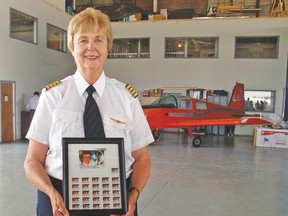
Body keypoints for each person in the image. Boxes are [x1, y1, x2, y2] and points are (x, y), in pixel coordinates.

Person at [24, 8, 154, 216]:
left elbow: (142, 158)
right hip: (60, 201)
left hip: (116, 202)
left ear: (108, 47)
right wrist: (50, 192)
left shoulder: (126, 98)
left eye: (98, 40)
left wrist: (133, 194)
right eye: (83, 40)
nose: (91, 48)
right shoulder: (53, 97)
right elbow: (32, 161)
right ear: (72, 46)